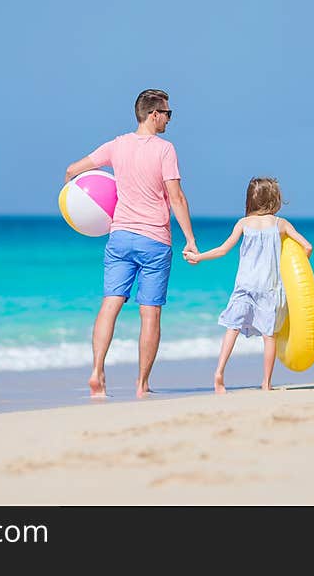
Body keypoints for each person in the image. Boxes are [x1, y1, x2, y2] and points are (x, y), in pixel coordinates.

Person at [64, 89, 198, 398]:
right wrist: (190, 239)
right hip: (154, 239)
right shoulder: (165, 150)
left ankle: (97, 371)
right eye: (167, 114)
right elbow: (176, 197)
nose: (168, 119)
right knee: (149, 313)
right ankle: (141, 385)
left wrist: (77, 210)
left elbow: (73, 171)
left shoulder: (116, 145)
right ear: (153, 115)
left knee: (110, 304)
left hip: (120, 237)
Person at [183, 178, 312, 394]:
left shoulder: (243, 223)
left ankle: (219, 372)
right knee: (268, 336)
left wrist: (199, 257)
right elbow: (307, 247)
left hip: (245, 285)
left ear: (250, 200)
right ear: (274, 199)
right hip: (270, 287)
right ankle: (266, 383)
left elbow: (223, 250)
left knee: (232, 328)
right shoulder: (281, 224)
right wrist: (293, 268)